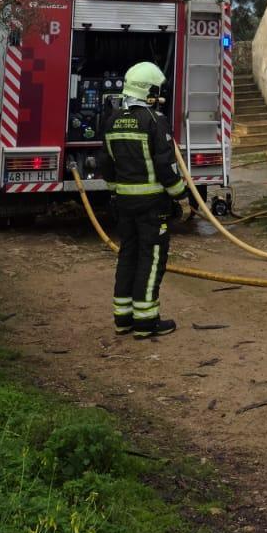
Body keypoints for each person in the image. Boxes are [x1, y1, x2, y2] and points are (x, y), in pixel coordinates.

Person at [99, 60, 189, 339]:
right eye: (155, 89)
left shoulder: (112, 120)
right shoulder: (154, 121)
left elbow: (106, 164)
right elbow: (166, 166)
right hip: (152, 206)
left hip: (124, 204)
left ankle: (123, 319)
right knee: (151, 261)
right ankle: (146, 321)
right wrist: (181, 196)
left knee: (128, 256)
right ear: (148, 89)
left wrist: (117, 190)